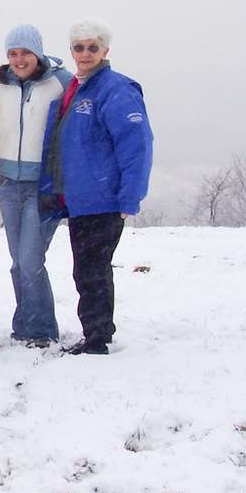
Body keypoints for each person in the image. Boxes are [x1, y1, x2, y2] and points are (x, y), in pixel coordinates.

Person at [40, 19, 154, 355]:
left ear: (105, 50)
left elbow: (137, 144)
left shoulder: (115, 89)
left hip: (103, 199)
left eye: (93, 47)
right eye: (79, 47)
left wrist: (130, 196)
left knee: (92, 270)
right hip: (80, 199)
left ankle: (97, 338)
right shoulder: (78, 89)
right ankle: (96, 330)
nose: (85, 53)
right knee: (86, 270)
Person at [0, 25, 73, 348]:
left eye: (25, 52)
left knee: (30, 259)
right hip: (9, 185)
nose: (19, 59)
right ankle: (25, 326)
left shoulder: (60, 84)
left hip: (44, 185)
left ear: (37, 53)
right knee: (18, 261)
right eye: (13, 53)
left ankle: (41, 330)